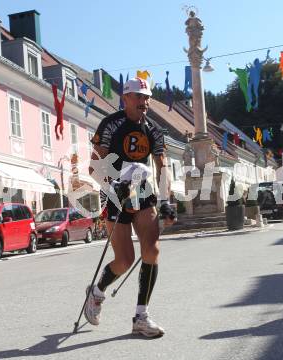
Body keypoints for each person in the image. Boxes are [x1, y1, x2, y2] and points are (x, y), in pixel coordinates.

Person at [86, 77, 176, 337]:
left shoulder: (154, 129)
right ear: (125, 98)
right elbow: (94, 167)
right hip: (116, 191)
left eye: (146, 97)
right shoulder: (110, 125)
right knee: (124, 259)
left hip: (143, 189)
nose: (143, 102)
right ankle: (97, 292)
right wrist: (113, 185)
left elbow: (162, 167)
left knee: (152, 249)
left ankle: (141, 316)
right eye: (138, 96)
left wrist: (166, 200)